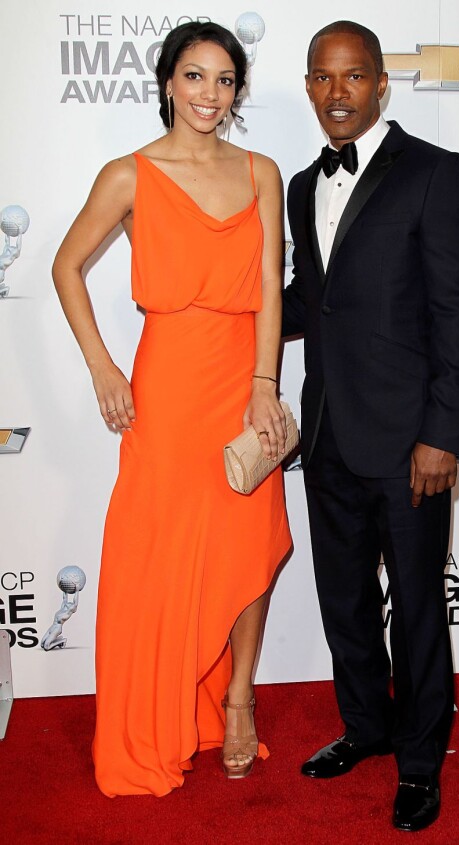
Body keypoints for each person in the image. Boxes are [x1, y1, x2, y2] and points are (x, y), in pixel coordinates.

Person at [52, 21, 291, 797]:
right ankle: (157, 712)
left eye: (224, 80)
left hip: (242, 379)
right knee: (156, 554)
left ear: (237, 90)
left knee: (248, 540)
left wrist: (264, 382)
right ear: (167, 82)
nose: (208, 94)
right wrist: (102, 365)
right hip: (167, 388)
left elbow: (269, 287)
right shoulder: (129, 175)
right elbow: (65, 265)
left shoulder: (261, 172)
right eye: (194, 76)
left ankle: (238, 699)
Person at [282, 21, 459, 832]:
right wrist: (218, 311)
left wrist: (442, 435)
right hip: (328, 434)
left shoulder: (435, 173)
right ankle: (366, 726)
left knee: (419, 607)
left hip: (409, 444)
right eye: (324, 78)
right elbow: (310, 299)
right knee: (345, 600)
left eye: (354, 76)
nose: (339, 93)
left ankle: (421, 761)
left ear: (380, 83)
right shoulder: (302, 185)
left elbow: (458, 314)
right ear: (309, 86)